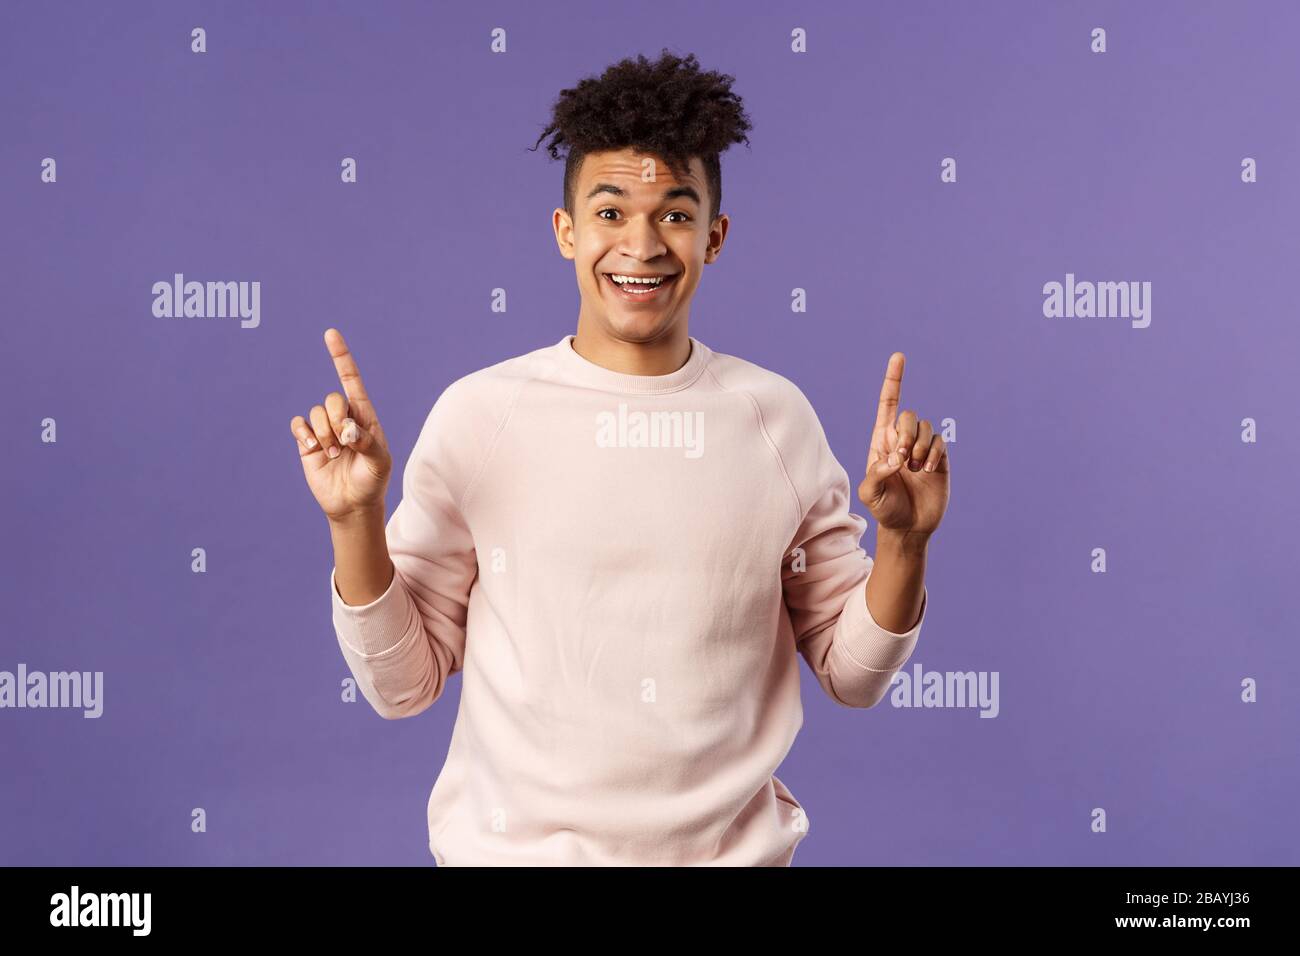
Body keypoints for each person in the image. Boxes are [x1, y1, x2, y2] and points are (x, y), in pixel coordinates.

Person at [289, 50, 950, 866]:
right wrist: (354, 520)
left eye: (674, 213)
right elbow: (403, 686)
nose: (641, 245)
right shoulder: (481, 416)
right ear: (566, 230)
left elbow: (854, 676)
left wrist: (905, 543)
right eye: (611, 212)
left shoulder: (774, 420)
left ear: (715, 234)